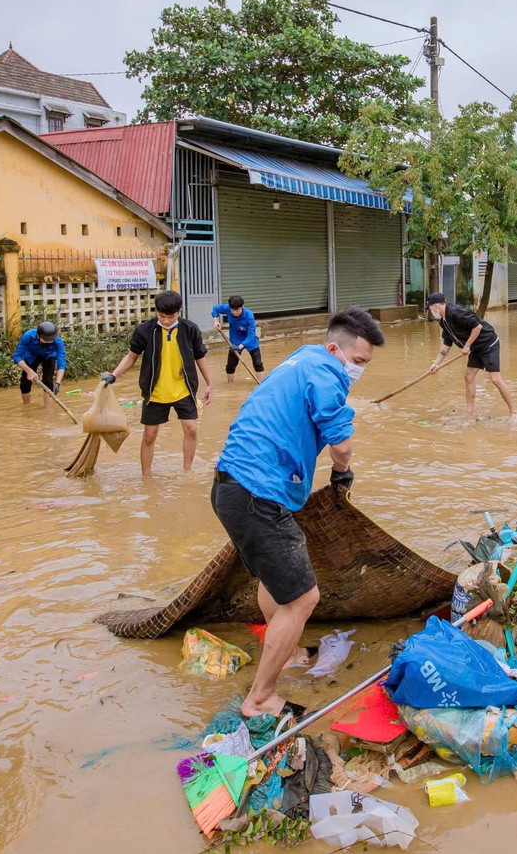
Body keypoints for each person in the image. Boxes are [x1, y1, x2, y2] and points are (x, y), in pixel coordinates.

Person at [212, 307, 386, 718]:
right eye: (358, 362)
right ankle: (260, 699)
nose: (358, 370)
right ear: (335, 349)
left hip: (230, 488)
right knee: (304, 599)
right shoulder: (327, 375)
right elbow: (341, 446)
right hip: (258, 496)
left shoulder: (301, 359)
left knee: (275, 583)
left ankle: (285, 655)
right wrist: (342, 474)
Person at [102, 290, 213, 475]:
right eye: (162, 316)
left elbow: (200, 357)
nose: (166, 321)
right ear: (156, 311)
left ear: (179, 311)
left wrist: (209, 383)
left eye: (171, 316)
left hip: (183, 389)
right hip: (155, 391)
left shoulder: (190, 329)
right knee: (149, 435)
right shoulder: (145, 331)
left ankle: (187, 472)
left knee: (192, 429)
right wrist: (114, 375)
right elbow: (131, 357)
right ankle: (146, 476)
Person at [425, 292, 517, 419]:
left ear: (436, 306)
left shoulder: (456, 312)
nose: (430, 311)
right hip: (476, 348)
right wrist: (436, 363)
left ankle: (513, 411)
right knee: (468, 376)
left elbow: (477, 326)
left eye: (430, 308)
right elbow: (447, 345)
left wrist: (467, 345)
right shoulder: (443, 322)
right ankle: (470, 412)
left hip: (488, 344)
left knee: (495, 379)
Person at [212, 295, 264, 384]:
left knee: (258, 364)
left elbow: (251, 335)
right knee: (230, 366)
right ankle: (230, 385)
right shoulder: (228, 308)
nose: (235, 312)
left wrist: (239, 346)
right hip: (235, 339)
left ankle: (261, 384)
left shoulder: (249, 315)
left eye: (237, 310)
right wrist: (216, 321)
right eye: (233, 310)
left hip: (250, 340)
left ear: (242, 306)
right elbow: (215, 309)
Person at [13, 321, 65, 404]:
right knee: (25, 382)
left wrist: (58, 383)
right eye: (45, 341)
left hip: (49, 356)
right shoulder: (28, 336)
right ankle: (27, 407)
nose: (47, 343)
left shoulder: (58, 341)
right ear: (38, 335)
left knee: (48, 381)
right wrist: (29, 371)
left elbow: (61, 364)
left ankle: (48, 410)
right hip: (32, 356)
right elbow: (16, 356)